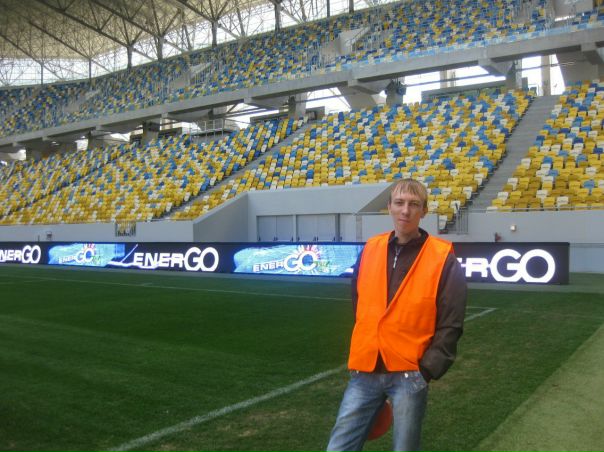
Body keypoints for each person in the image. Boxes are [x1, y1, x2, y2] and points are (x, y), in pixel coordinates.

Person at [326, 178, 467, 452]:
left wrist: (427, 370)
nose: (405, 210)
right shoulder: (371, 248)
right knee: (339, 447)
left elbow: (451, 322)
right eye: (399, 203)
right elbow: (360, 303)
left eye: (414, 204)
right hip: (365, 370)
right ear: (389, 206)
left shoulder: (441, 256)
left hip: (410, 374)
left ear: (424, 210)